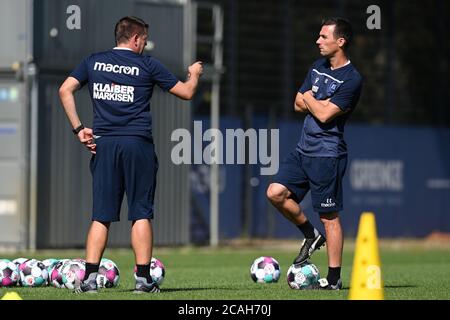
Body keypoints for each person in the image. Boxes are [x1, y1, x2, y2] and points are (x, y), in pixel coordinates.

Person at [59, 16, 203, 293]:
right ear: (136, 39)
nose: (145, 45)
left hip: (104, 145)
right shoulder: (147, 65)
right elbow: (186, 93)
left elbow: (65, 90)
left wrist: (79, 129)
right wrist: (194, 73)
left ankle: (89, 280)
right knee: (140, 212)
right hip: (137, 144)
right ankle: (143, 280)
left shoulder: (93, 61)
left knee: (101, 215)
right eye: (144, 40)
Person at [266, 17, 362, 290]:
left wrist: (310, 97)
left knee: (329, 217)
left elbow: (322, 113)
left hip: (327, 155)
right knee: (275, 192)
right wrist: (312, 100)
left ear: (340, 41)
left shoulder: (352, 79)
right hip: (302, 149)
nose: (317, 41)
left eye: (323, 37)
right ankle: (310, 234)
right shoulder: (317, 66)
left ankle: (333, 280)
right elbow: (297, 103)